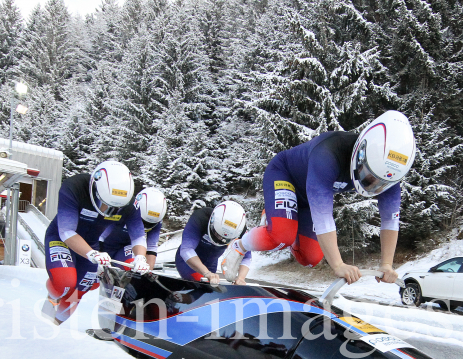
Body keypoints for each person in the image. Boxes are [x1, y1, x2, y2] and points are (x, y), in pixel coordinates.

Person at [221, 110, 416, 285]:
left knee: (311, 258)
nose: (372, 184)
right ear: (361, 153)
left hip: (310, 199)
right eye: (368, 174)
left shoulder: (390, 174)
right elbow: (323, 216)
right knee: (281, 236)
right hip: (285, 175)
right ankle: (239, 246)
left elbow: (390, 221)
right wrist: (338, 264)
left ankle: (285, 219)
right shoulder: (328, 154)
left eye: (379, 183)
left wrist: (387, 264)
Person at [41, 160, 147, 325]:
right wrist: (92, 253)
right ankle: (49, 304)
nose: (107, 212)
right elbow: (66, 231)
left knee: (80, 291)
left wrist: (140, 257)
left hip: (91, 244)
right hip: (61, 238)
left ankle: (55, 326)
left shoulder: (129, 204)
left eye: (115, 209)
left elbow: (138, 235)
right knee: (65, 283)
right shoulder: (74, 187)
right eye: (105, 205)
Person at [175, 200, 250, 285]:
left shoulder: (242, 231)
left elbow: (247, 257)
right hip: (188, 262)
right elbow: (186, 249)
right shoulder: (201, 218)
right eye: (217, 234)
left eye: (226, 238)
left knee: (209, 289)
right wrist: (206, 273)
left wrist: (241, 278)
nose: (221, 239)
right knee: (198, 285)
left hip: (211, 264)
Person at [101, 187, 168, 271]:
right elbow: (100, 235)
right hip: (103, 247)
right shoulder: (125, 210)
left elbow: (151, 247)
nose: (142, 226)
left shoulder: (157, 221)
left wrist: (148, 272)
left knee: (135, 262)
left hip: (127, 249)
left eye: (149, 224)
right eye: (142, 221)